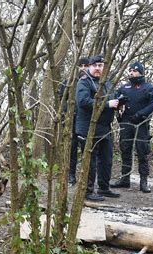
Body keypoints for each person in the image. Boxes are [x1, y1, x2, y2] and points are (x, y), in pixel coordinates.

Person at [75, 54, 120, 201]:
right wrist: (107, 104)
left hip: (105, 128)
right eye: (95, 66)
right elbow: (84, 102)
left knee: (106, 159)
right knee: (90, 161)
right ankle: (87, 191)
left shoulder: (106, 82)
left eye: (100, 66)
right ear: (89, 66)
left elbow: (112, 98)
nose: (98, 69)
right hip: (88, 128)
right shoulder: (84, 82)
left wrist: (120, 104)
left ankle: (104, 187)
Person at [111, 62, 153, 193]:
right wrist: (119, 108)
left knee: (142, 152)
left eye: (134, 70)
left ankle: (143, 181)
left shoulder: (148, 87)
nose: (131, 73)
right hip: (126, 123)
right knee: (125, 149)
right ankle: (124, 179)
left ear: (141, 72)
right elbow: (115, 100)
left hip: (141, 123)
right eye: (130, 70)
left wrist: (141, 114)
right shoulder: (124, 87)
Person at [59, 57, 90, 186]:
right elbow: (61, 100)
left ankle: (87, 176)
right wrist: (66, 114)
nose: (83, 68)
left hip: (86, 121)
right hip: (71, 120)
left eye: (86, 65)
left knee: (86, 148)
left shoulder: (92, 83)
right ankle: (71, 176)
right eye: (81, 65)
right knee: (71, 148)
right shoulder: (69, 82)